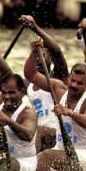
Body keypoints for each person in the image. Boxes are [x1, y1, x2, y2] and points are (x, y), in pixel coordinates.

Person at [31, 50, 86, 171]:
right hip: (61, 151)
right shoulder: (60, 91)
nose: (74, 85)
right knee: (35, 167)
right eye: (72, 81)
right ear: (69, 78)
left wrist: (70, 113)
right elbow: (29, 73)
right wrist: (35, 52)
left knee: (45, 156)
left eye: (79, 83)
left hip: (84, 155)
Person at [19, 15, 70, 152]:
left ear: (50, 59)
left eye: (44, 55)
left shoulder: (59, 76)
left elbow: (57, 51)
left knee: (38, 132)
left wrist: (35, 28)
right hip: (36, 133)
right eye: (37, 55)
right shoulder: (27, 83)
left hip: (57, 131)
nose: (39, 59)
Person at [0, 73, 38, 171]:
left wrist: (8, 120)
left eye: (12, 93)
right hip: (4, 159)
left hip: (25, 163)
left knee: (0, 163)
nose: (7, 96)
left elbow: (28, 135)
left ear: (22, 92)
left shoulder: (27, 112)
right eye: (4, 92)